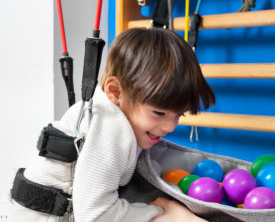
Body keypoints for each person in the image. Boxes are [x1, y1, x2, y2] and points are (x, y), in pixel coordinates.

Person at [9, 27, 213, 221]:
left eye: (179, 115)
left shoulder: (109, 111)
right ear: (115, 91)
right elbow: (95, 216)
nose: (170, 127)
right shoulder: (111, 125)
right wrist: (160, 214)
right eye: (159, 112)